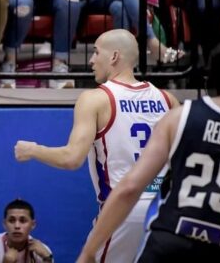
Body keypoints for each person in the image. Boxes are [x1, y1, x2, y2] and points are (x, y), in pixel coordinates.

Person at [77, 38, 220, 263]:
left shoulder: (180, 116)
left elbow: (130, 187)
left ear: (212, 76)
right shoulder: (170, 103)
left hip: (171, 238)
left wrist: (89, 251)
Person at [14, 28, 178, 263]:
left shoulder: (95, 99)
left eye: (96, 52)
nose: (91, 60)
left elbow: (72, 158)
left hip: (123, 208)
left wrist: (32, 150)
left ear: (114, 56)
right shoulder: (168, 100)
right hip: (163, 210)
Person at [0, 199, 53, 263]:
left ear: (33, 225)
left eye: (23, 221)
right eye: (11, 220)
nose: (17, 226)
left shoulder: (43, 252)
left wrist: (47, 259)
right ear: (4, 224)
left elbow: (47, 257)